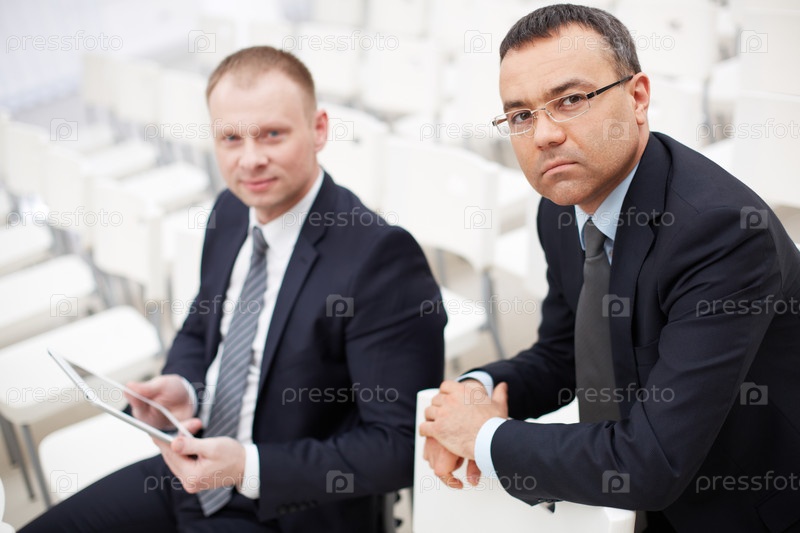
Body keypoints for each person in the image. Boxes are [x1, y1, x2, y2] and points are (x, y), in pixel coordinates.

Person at [23, 46, 445, 532]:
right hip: (190, 469)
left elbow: (398, 447)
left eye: (272, 134)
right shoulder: (229, 211)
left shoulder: (380, 259)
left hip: (286, 508)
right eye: (231, 138)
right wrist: (184, 387)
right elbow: (200, 325)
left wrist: (247, 467)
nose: (250, 160)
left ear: (318, 129)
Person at [420, 4, 800, 532]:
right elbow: (564, 354)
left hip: (740, 507)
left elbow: (650, 463)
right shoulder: (560, 206)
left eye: (570, 100)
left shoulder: (722, 233)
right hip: (633, 488)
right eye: (521, 115)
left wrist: (483, 438)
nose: (544, 135)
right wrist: (472, 394)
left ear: (638, 97)